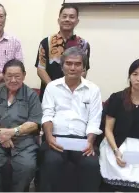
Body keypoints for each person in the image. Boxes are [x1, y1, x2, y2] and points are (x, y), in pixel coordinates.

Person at [38, 46, 102, 192]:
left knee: (91, 165)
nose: (73, 68)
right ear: (62, 66)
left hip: (82, 140)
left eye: (78, 64)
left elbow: (94, 120)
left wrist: (90, 142)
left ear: (84, 68)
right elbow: (47, 114)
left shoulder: (93, 90)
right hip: (56, 138)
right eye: (68, 63)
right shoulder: (52, 87)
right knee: (51, 161)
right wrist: (49, 137)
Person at [0, 59, 42, 192]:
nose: (13, 80)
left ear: (24, 76)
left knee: (27, 166)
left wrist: (12, 132)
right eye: (9, 76)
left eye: (17, 76)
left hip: (23, 139)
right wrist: (0, 133)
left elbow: (34, 123)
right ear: (3, 75)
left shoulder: (31, 96)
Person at [99, 59, 139, 192]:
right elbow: (108, 130)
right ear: (129, 77)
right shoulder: (117, 98)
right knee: (117, 180)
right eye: (135, 74)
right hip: (115, 145)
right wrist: (116, 152)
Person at [35, 5, 90, 101]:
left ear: (77, 21)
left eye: (72, 17)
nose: (67, 19)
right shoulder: (46, 42)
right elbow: (40, 69)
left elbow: (83, 71)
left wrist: (69, 90)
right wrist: (53, 88)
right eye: (64, 16)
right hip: (49, 94)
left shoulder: (83, 44)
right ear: (58, 20)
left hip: (73, 96)